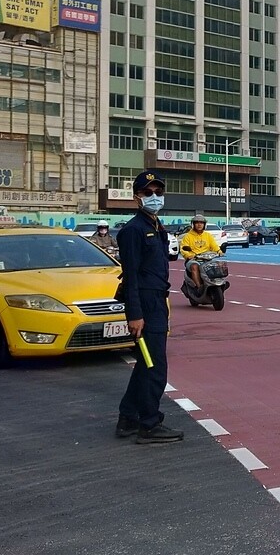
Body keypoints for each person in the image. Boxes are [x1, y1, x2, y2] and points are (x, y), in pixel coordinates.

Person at [114, 170, 182, 445]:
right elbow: (130, 274)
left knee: (145, 364)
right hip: (145, 303)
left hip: (157, 300)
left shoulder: (155, 226)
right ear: (136, 197)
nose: (154, 197)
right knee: (155, 366)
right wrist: (135, 314)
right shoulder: (134, 230)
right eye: (148, 193)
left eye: (158, 192)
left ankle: (129, 417)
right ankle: (149, 424)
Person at [178, 214, 221, 291]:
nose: (199, 225)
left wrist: (219, 251)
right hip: (193, 259)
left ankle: (217, 283)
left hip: (207, 259)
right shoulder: (188, 236)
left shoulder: (208, 235)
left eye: (201, 223)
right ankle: (199, 287)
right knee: (194, 267)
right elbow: (183, 249)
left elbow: (214, 245)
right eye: (197, 223)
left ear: (204, 225)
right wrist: (188, 255)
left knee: (217, 266)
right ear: (193, 224)